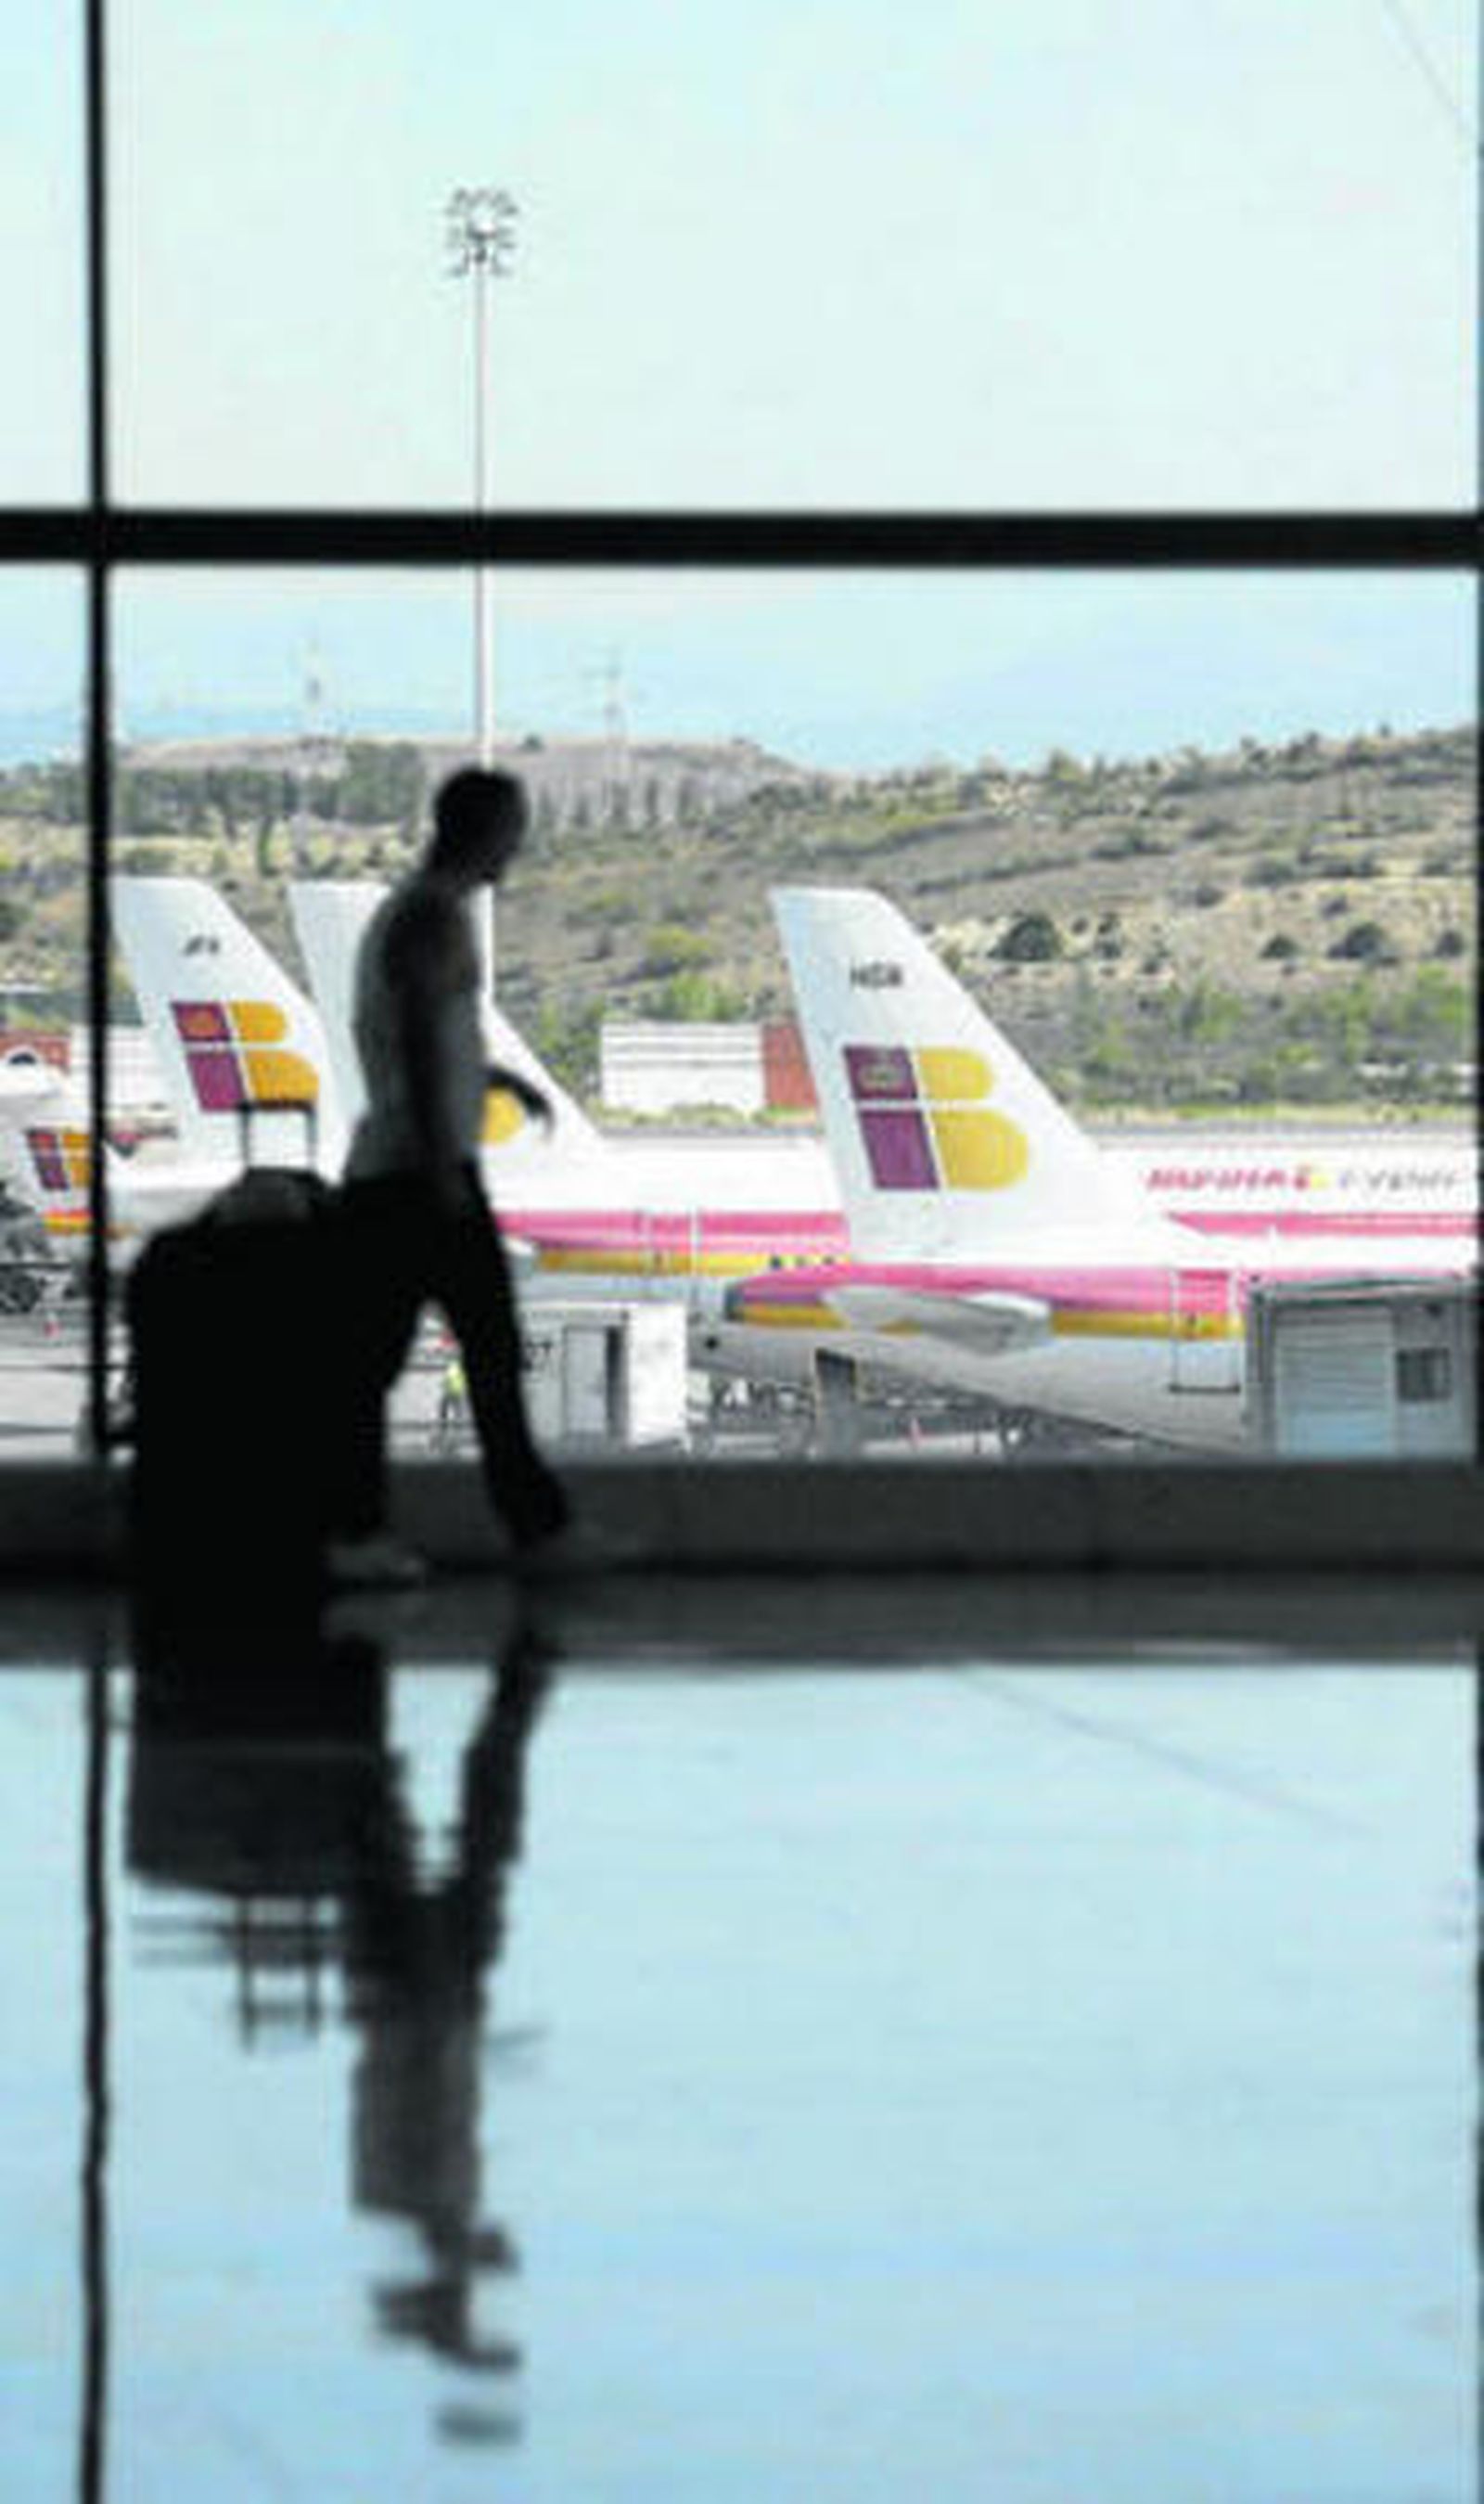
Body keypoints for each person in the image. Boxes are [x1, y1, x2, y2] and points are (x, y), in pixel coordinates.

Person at [328, 767, 571, 1586]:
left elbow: (424, 1038)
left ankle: (361, 1533)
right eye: (512, 826)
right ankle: (533, 1533)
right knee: (481, 1354)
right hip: (421, 1174)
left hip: (399, 1170)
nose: (519, 845)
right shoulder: (433, 920)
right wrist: (444, 1175)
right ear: (482, 831)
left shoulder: (419, 914)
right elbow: (425, 1055)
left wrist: (497, 1081)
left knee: (375, 1362)